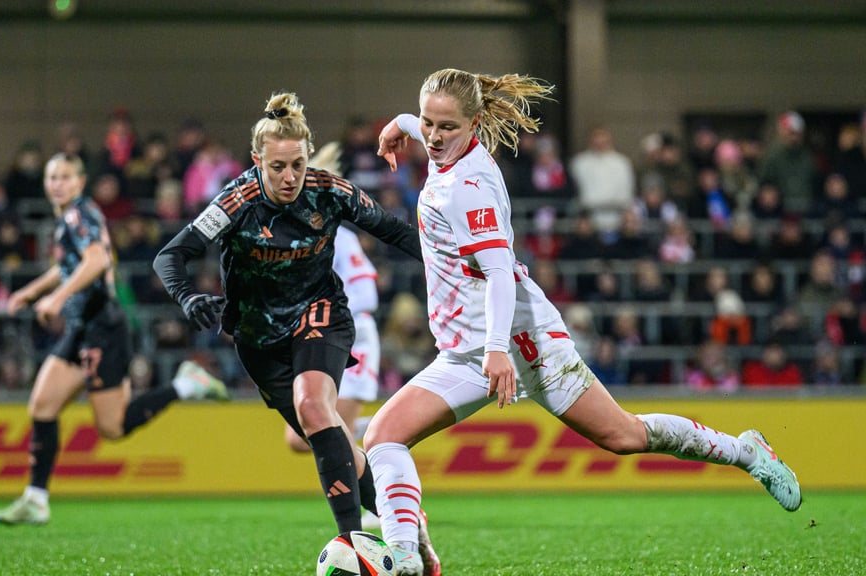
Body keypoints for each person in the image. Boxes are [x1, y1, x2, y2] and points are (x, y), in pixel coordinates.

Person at [367, 68, 802, 576]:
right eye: (427, 123)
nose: (434, 137)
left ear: (475, 125)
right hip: (468, 352)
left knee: (624, 436)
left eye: (446, 127)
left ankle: (745, 451)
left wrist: (498, 349)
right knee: (382, 437)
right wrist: (400, 124)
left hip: (521, 342)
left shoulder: (468, 188)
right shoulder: (448, 148)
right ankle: (408, 555)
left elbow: (501, 271)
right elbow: (427, 128)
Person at [153, 92, 421, 537]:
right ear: (257, 161)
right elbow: (170, 255)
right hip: (258, 338)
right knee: (325, 435)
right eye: (278, 166)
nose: (290, 176)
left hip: (320, 313)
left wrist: (454, 265)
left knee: (314, 407)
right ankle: (408, 527)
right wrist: (187, 297)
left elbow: (396, 232)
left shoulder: (329, 191)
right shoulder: (236, 202)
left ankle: (351, 541)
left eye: (298, 164)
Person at [0, 153, 219, 526]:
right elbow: (68, 266)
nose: (57, 184)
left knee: (112, 427)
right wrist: (31, 292)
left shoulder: (79, 215)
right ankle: (35, 499)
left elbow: (97, 261)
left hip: (103, 328)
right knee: (42, 406)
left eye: (65, 177)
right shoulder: (72, 217)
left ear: (80, 182)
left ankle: (186, 385)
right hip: (81, 327)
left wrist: (56, 299)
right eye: (52, 177)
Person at [282, 225, 383, 529]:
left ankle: (378, 502)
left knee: (331, 434)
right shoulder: (287, 233)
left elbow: (366, 292)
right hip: (315, 336)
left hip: (350, 334)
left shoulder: (339, 236)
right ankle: (383, 427)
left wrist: (327, 317)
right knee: (298, 439)